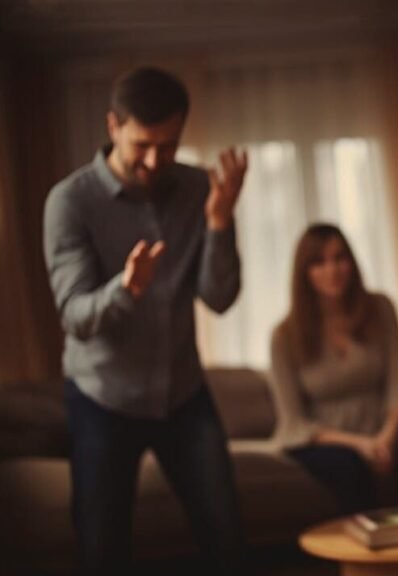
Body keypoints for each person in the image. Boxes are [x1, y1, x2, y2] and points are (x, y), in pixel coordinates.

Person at [43, 66, 248, 574]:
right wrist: (125, 290)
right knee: (102, 550)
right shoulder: (70, 202)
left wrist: (219, 223)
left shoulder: (202, 187)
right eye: (142, 144)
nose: (156, 160)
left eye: (170, 144)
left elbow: (219, 298)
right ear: (113, 126)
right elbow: (74, 315)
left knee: (228, 540)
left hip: (183, 394)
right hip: (102, 399)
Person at [269, 223, 398, 514]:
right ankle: (367, 552)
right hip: (324, 438)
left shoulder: (381, 309)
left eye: (340, 258)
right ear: (304, 273)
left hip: (385, 425)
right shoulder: (284, 336)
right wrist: (361, 445)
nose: (333, 269)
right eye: (319, 262)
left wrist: (386, 438)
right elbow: (293, 420)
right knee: (348, 468)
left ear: (351, 262)